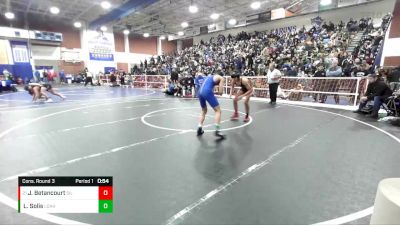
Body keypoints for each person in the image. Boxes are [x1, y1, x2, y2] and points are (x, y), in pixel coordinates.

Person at [197, 73, 225, 139]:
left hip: (200, 92)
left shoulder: (209, 77)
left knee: (204, 111)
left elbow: (208, 88)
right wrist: (220, 92)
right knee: (218, 111)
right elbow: (220, 92)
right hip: (206, 91)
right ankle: (217, 130)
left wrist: (213, 92)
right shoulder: (221, 78)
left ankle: (199, 128)